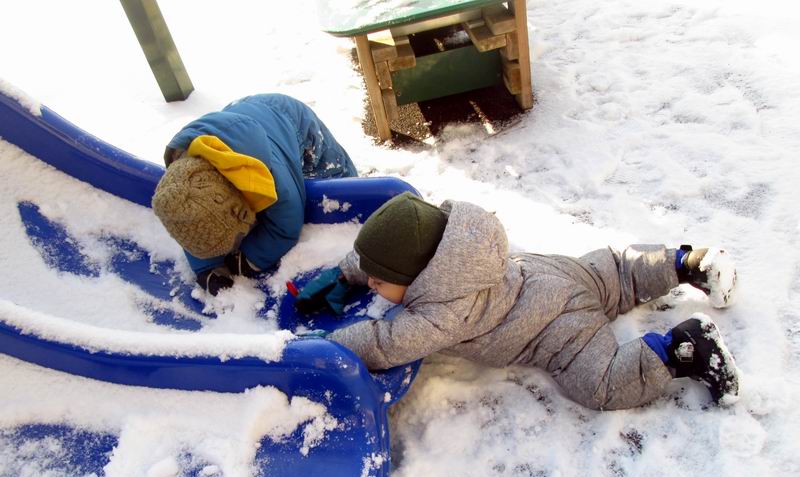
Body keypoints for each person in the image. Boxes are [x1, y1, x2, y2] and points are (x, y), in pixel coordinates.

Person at [293, 192, 741, 410]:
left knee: (600, 383)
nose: (370, 282)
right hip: (549, 272)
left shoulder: (443, 312)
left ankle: (683, 348)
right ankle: (687, 263)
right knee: (617, 272)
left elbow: (385, 341)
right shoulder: (461, 250)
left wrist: (322, 346)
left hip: (556, 328)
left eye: (377, 279)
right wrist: (345, 272)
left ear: (419, 278)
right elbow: (385, 257)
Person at [151, 93, 358, 295]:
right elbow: (191, 226)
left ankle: (355, 186)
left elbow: (286, 226)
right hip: (239, 122)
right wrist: (206, 268)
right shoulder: (184, 188)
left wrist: (250, 260)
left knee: (335, 175)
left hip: (292, 122)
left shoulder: (273, 179)